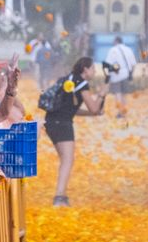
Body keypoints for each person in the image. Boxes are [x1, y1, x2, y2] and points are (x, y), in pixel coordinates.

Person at [42, 58, 107, 207]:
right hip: (62, 124)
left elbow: (72, 108)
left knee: (65, 159)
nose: (94, 72)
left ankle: (60, 195)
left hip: (52, 121)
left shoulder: (70, 79)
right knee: (68, 159)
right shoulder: (82, 84)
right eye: (93, 69)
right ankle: (59, 197)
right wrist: (102, 95)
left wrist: (93, 113)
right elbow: (94, 108)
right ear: (85, 69)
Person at [104, 36, 137, 116]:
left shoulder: (113, 50)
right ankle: (123, 110)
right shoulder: (129, 50)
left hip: (116, 75)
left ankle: (120, 111)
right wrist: (131, 74)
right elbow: (133, 64)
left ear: (116, 41)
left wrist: (107, 76)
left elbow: (107, 64)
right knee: (124, 94)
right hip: (126, 73)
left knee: (117, 93)